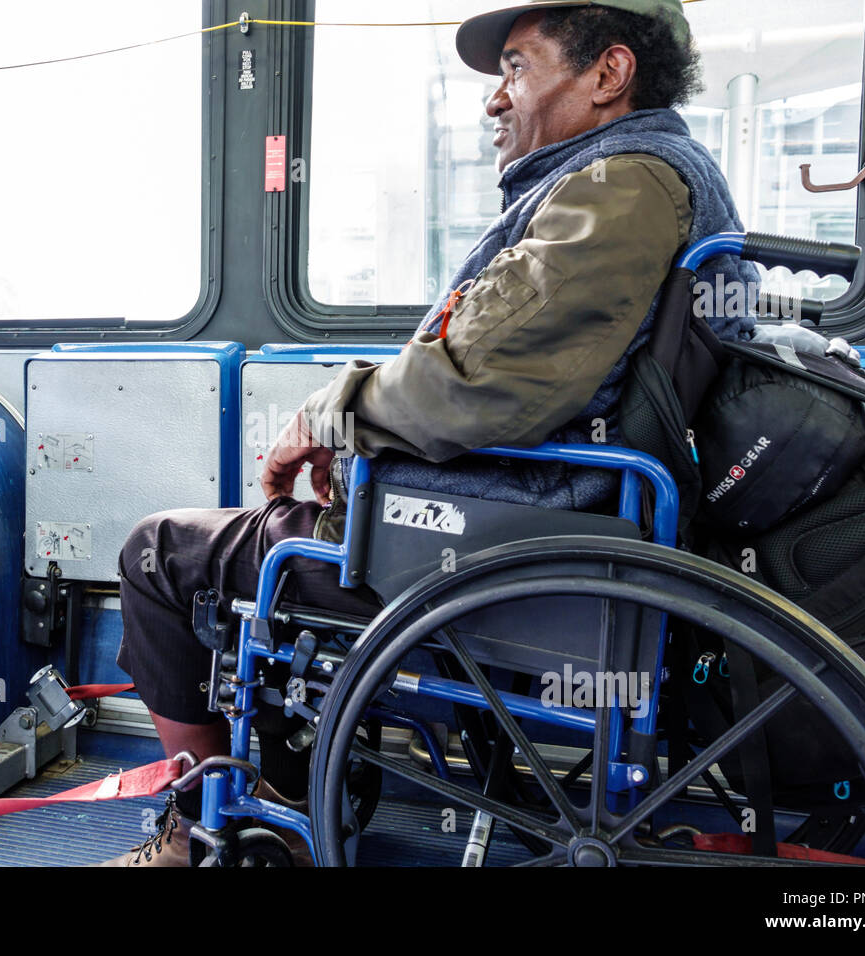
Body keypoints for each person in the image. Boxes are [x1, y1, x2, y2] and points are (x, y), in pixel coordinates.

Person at [101, 0, 759, 867]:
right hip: (545, 525)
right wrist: (370, 439)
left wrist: (335, 415)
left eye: (518, 68)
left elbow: (482, 383)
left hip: (501, 552)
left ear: (609, 74)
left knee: (163, 555)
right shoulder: (642, 180)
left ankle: (199, 827)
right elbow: (502, 360)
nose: (495, 99)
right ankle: (293, 786)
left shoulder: (622, 186)